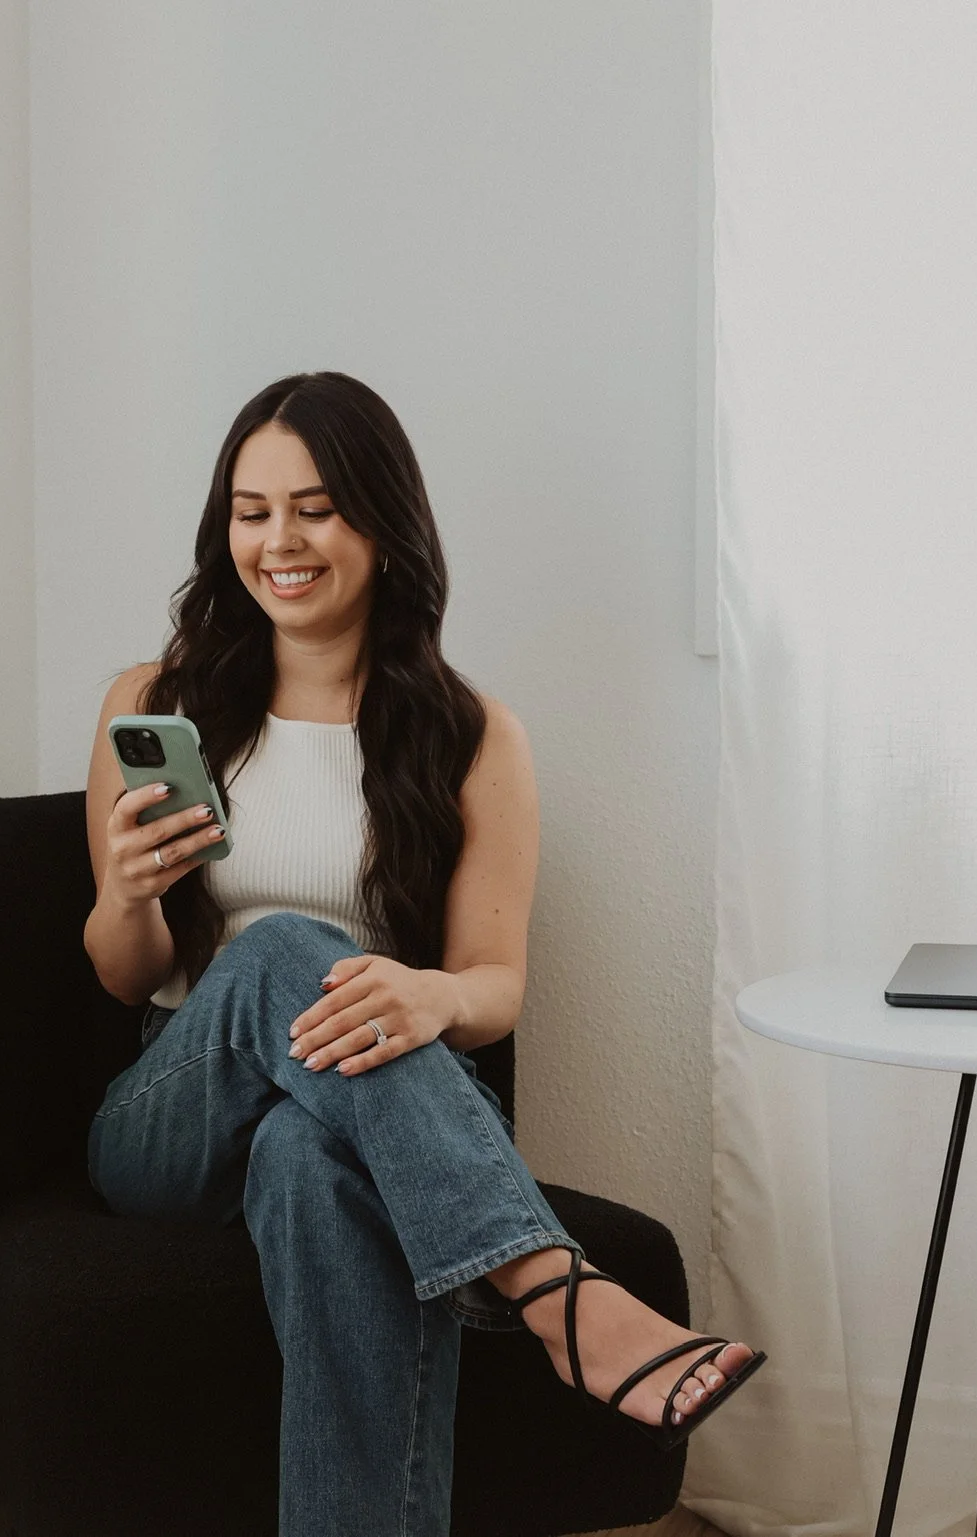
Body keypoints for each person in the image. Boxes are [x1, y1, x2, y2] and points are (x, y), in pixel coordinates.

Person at [82, 372, 763, 1536]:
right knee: (284, 949)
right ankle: (554, 1290)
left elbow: (493, 988)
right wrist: (131, 890)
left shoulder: (468, 733)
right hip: (171, 1109)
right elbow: (123, 973)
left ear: (382, 524)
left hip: (346, 1108)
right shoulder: (156, 702)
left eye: (315, 507)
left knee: (311, 1158)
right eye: (251, 511)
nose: (278, 540)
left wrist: (427, 991)